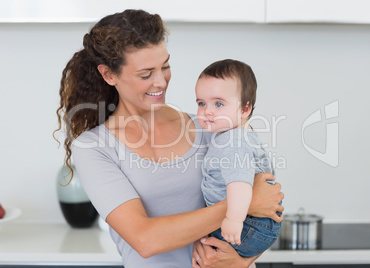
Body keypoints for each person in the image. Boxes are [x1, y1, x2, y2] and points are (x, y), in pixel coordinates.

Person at [54, 9, 284, 268]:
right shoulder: (95, 147)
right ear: (109, 74)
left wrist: (242, 262)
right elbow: (145, 239)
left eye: (165, 66)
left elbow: (267, 209)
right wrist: (242, 205)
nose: (161, 81)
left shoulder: (208, 127)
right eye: (146, 74)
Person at [194, 59, 282, 260]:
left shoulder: (233, 142)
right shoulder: (233, 134)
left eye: (218, 104)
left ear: (245, 109)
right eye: (201, 103)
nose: (207, 110)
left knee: (205, 251)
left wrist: (233, 220)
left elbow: (240, 184)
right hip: (253, 222)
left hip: (247, 224)